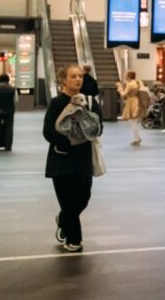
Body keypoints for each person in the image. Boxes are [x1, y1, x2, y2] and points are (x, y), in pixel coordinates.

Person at [44, 64, 103, 253]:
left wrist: (88, 130)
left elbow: (99, 128)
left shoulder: (91, 102)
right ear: (64, 80)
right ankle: (74, 239)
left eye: (80, 76)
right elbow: (48, 132)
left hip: (83, 159)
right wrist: (70, 140)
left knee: (83, 197)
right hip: (61, 159)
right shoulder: (56, 103)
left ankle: (63, 219)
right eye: (73, 76)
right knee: (68, 201)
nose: (78, 79)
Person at [118, 71, 143, 146]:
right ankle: (137, 137)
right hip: (137, 101)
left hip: (131, 102)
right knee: (135, 122)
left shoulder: (129, 84)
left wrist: (119, 88)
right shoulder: (138, 82)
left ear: (129, 76)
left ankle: (137, 139)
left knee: (133, 122)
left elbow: (123, 94)